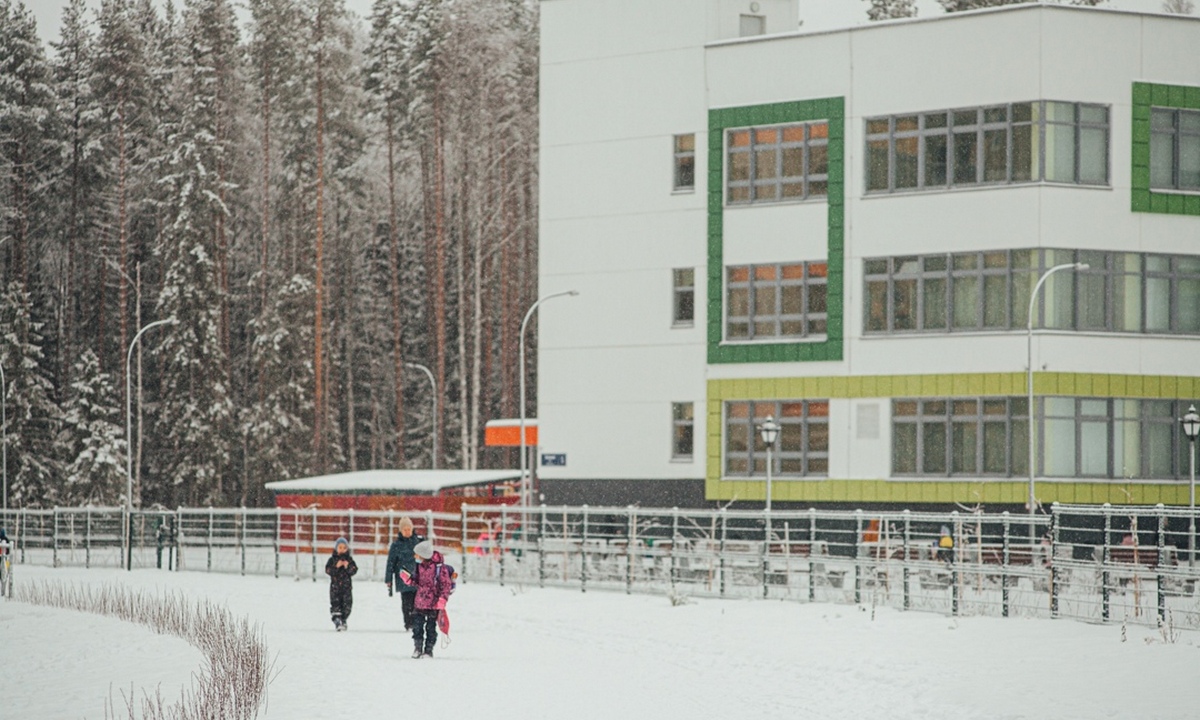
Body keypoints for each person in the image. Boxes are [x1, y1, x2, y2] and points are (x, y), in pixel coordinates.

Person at [410, 539, 454, 658]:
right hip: (419, 601)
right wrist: (409, 579)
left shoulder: (439, 568)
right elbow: (418, 581)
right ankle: (417, 647)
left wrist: (442, 600)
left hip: (433, 603)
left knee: (431, 628)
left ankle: (428, 650)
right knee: (417, 626)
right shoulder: (419, 566)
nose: (415, 556)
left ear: (423, 555)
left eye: (417, 554)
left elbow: (446, 585)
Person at [385, 517, 425, 631]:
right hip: (403, 579)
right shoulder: (396, 545)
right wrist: (388, 579)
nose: (407, 532)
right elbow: (391, 563)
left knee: (418, 602)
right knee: (407, 602)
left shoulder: (419, 542)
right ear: (401, 531)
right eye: (405, 529)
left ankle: (417, 621)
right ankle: (409, 622)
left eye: (409, 529)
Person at [325, 537, 358, 631]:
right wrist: (336, 566)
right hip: (335, 587)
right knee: (336, 604)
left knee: (347, 605)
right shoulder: (332, 560)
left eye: (344, 547)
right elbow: (328, 570)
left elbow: (354, 570)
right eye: (340, 547)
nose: (342, 550)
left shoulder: (349, 560)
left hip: (346, 587)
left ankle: (343, 619)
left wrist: (348, 567)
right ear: (336, 548)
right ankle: (337, 620)